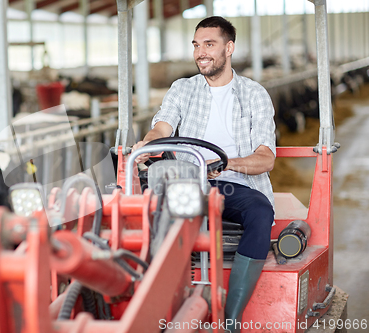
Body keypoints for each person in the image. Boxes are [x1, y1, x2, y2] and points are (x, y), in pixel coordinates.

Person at [132, 16, 276, 333]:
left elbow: (265, 159)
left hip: (232, 186)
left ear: (229, 48)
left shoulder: (254, 95)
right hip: (188, 183)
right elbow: (162, 126)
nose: (201, 53)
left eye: (209, 44)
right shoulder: (183, 89)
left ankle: (231, 319)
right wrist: (149, 143)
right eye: (197, 45)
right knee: (144, 212)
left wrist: (225, 164)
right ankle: (152, 305)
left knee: (260, 211)